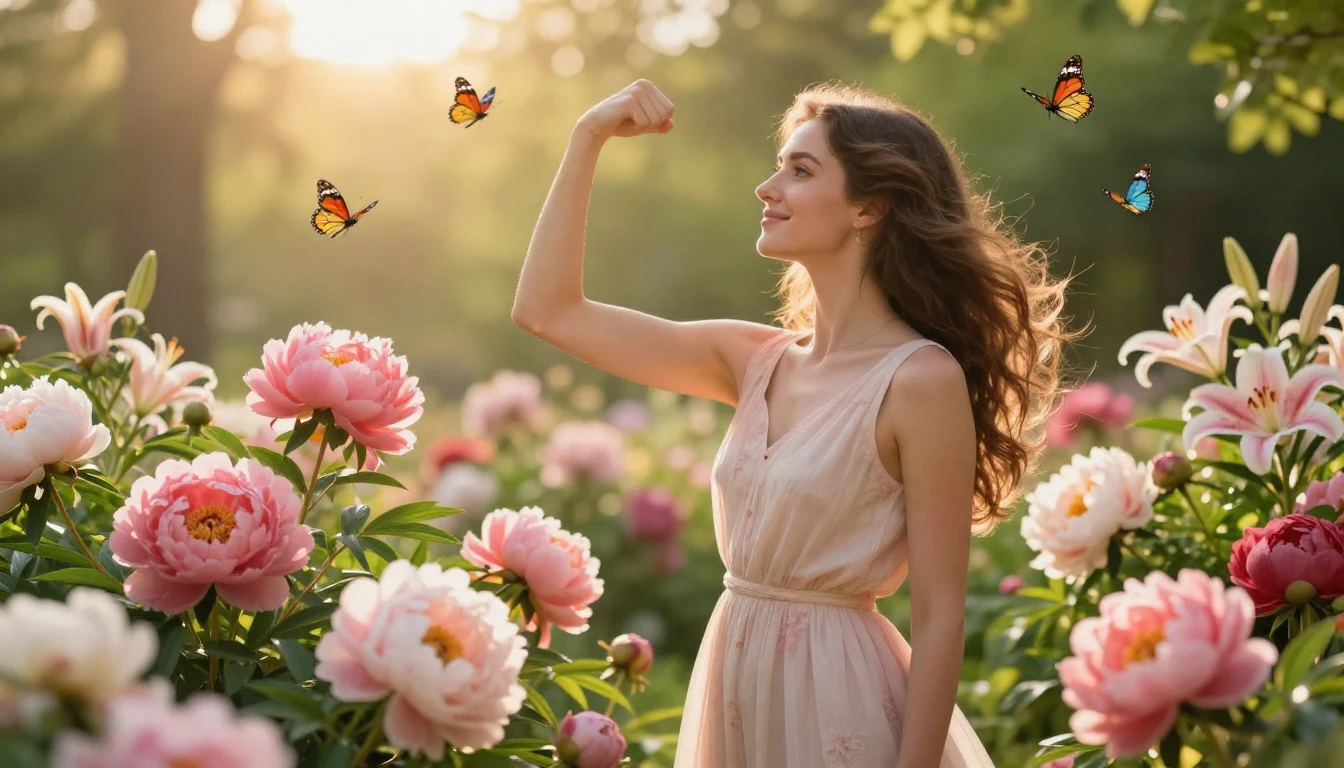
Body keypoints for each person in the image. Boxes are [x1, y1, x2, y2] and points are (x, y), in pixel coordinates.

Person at [512, 79, 1079, 768]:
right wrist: (587, 135)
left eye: (800, 170)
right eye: (780, 163)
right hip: (736, 687)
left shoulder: (919, 381)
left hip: (839, 706)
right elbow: (548, 311)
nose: (767, 186)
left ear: (870, 206)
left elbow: (939, 617)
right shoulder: (752, 361)